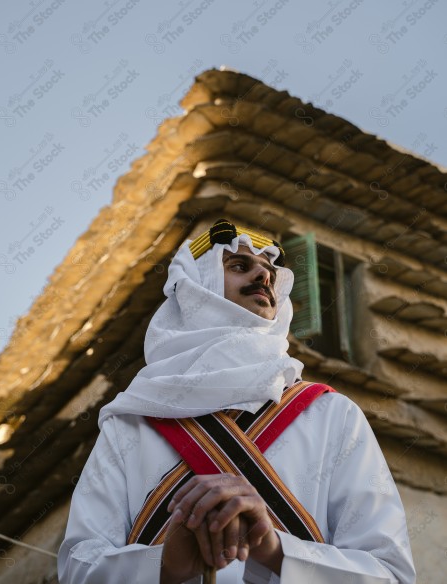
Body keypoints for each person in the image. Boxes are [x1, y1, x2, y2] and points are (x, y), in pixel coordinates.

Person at [57, 218, 416, 583]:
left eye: (270, 274)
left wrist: (274, 551)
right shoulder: (129, 423)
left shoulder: (331, 414)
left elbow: (390, 573)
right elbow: (77, 567)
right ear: (197, 288)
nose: (264, 278)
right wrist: (164, 565)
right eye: (239, 266)